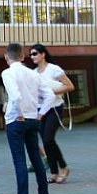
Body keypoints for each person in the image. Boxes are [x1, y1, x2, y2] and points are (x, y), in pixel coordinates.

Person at [0, 43, 55, 194]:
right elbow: (50, 96)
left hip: (16, 120)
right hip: (33, 119)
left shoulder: (8, 73)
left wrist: (19, 113)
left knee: (19, 161)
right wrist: (40, 113)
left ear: (6, 57)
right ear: (23, 57)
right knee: (36, 158)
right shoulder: (33, 74)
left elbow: (15, 96)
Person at [29, 43, 74, 184]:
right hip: (41, 110)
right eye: (30, 54)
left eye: (34, 53)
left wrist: (50, 92)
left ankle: (64, 167)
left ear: (43, 54)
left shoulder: (54, 69)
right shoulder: (34, 73)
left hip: (54, 108)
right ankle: (54, 172)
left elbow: (70, 86)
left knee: (48, 139)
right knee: (45, 141)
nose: (32, 56)